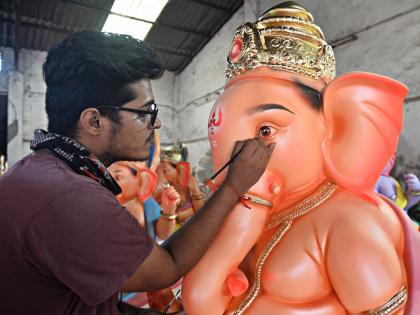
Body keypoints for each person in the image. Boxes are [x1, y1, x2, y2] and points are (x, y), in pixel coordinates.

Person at [0, 30, 274, 315]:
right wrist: (233, 186)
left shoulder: (37, 172)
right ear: (94, 121)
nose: (154, 125)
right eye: (147, 112)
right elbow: (167, 266)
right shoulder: (71, 197)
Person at [182, 2, 420, 315]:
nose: (237, 160)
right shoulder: (248, 213)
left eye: (266, 130)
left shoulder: (349, 221)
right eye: (220, 140)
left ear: (339, 125)